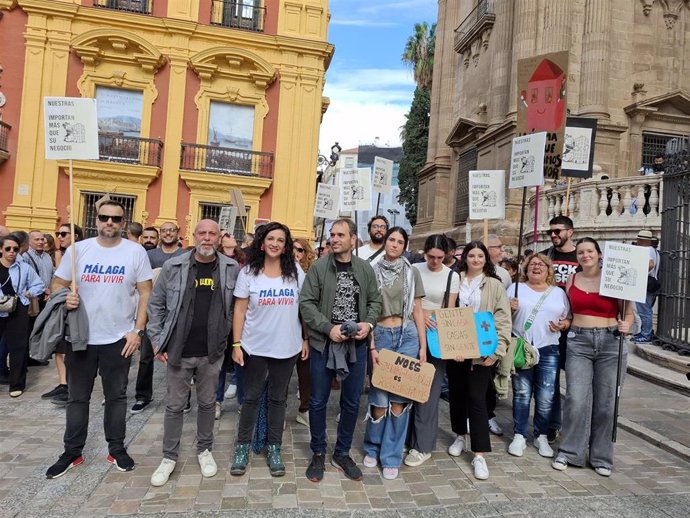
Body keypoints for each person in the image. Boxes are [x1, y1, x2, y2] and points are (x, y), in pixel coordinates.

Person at [46, 200, 153, 479]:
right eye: (104, 217)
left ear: (123, 222)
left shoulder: (135, 252)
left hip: (119, 338)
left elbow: (145, 292)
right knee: (77, 398)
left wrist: (137, 331)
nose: (110, 223)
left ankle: (116, 448)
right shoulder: (77, 250)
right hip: (80, 337)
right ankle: (72, 452)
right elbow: (56, 285)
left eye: (116, 219)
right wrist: (63, 298)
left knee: (116, 397)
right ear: (96, 219)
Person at [147, 219, 239, 487]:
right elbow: (156, 305)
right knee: (175, 406)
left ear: (219, 237)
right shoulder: (173, 266)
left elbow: (237, 308)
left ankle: (204, 450)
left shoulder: (231, 268)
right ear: (194, 235)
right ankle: (169, 456)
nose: (207, 238)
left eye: (212, 234)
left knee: (208, 403)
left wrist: (228, 340)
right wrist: (157, 341)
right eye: (202, 233)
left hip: (212, 351)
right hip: (179, 349)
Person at [299, 218, 382, 482]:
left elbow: (375, 302)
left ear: (353, 239)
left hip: (355, 346)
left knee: (351, 402)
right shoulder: (319, 268)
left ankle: (342, 452)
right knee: (318, 400)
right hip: (325, 344)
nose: (334, 239)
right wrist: (327, 328)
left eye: (340, 235)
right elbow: (307, 304)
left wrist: (368, 324)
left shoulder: (365, 269)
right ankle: (318, 452)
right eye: (332, 235)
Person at [229, 222, 307, 477]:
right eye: (271, 239)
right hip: (255, 346)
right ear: (262, 243)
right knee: (250, 398)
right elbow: (239, 310)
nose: (275, 243)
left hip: (287, 347)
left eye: (281, 240)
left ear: (286, 246)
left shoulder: (295, 271)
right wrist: (236, 344)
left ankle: (274, 447)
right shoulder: (249, 272)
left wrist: (305, 338)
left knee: (278, 399)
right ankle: (243, 446)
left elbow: (303, 307)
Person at [552, 237, 633, 477]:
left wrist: (626, 325)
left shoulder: (614, 278)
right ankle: (570, 451)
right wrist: (564, 323)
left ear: (599, 254)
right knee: (576, 399)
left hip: (611, 343)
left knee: (606, 403)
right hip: (579, 342)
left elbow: (628, 313)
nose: (585, 255)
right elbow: (570, 312)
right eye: (580, 252)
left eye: (589, 251)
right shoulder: (571, 280)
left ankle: (601, 456)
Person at [362, 227, 426, 480]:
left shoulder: (412, 273)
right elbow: (365, 310)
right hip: (380, 334)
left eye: (400, 242)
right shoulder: (370, 270)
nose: (395, 245)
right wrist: (372, 345)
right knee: (379, 399)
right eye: (391, 239)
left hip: (406, 336)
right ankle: (373, 447)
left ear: (405, 245)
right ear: (384, 241)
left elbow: (418, 311)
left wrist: (422, 345)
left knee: (399, 401)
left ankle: (391, 455)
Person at [446, 241, 511, 480]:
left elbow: (503, 318)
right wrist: (451, 345)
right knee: (457, 394)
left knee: (477, 399)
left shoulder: (494, 284)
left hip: (482, 351)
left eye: (479, 255)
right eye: (471, 255)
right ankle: (460, 435)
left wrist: (498, 350)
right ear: (465, 258)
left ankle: (480, 454)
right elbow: (447, 312)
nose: (475, 259)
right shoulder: (454, 279)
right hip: (456, 348)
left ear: (485, 259)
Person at [507, 254, 571, 459]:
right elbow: (501, 315)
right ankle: (519, 434)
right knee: (522, 393)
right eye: (532, 264)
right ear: (526, 269)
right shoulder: (516, 288)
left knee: (546, 395)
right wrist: (510, 307)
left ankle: (542, 434)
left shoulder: (558, 293)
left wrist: (562, 325)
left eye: (541, 264)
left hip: (548, 348)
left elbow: (568, 318)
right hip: (522, 346)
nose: (536, 267)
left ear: (548, 269)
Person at [405, 234, 459, 468]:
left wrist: (429, 316)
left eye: (440, 257)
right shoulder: (413, 268)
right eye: (430, 257)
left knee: (428, 392)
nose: (435, 261)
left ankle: (423, 445)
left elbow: (448, 311)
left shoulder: (452, 276)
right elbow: (405, 300)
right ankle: (406, 437)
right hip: (410, 330)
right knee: (408, 388)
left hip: (435, 335)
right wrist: (420, 315)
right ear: (424, 253)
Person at [133, 222, 186, 414]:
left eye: (172, 230)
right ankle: (142, 395)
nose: (168, 233)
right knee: (146, 356)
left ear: (178, 233)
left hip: (178, 312)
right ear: (160, 234)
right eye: (164, 231)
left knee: (180, 357)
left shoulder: (185, 255)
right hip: (153, 312)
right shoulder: (149, 256)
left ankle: (182, 398)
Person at [539, 215, 579, 443]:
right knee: (550, 382)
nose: (554, 235)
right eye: (550, 232)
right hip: (551, 328)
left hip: (576, 327)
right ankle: (551, 424)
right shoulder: (546, 256)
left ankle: (573, 426)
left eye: (558, 231)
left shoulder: (582, 255)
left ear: (570, 232)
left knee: (575, 383)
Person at [43, 224, 85, 406]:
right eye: (58, 234)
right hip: (60, 305)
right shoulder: (62, 253)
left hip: (75, 307)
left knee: (70, 349)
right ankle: (63, 383)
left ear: (75, 236)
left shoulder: (79, 253)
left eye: (64, 234)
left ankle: (72, 386)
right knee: (59, 348)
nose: (59, 237)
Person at [0, 235, 45, 397]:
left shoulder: (23, 267)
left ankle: (16, 384)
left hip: (18, 308)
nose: (12, 252)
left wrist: (29, 293)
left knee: (18, 347)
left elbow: (39, 284)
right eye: (8, 249)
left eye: (15, 249)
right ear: (1, 250)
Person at [293, 237, 317, 427]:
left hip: (306, 329)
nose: (296, 253)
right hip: (286, 328)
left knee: (306, 373)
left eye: (300, 250)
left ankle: (305, 409)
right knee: (281, 375)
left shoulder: (311, 273)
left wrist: (306, 336)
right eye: (293, 249)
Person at [632, 229, 660, 344]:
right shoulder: (654, 250)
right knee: (646, 310)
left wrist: (638, 270)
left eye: (639, 239)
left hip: (645, 284)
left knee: (644, 311)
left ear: (641, 240)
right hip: (651, 283)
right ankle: (646, 331)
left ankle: (645, 334)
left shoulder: (646, 250)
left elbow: (650, 264)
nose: (637, 241)